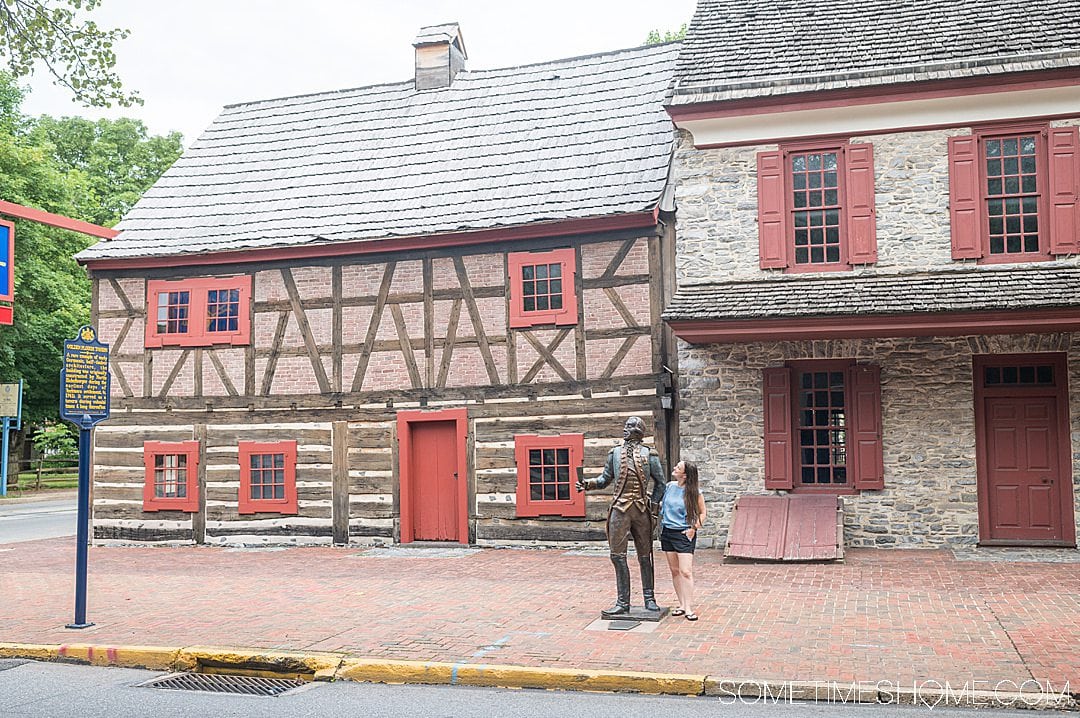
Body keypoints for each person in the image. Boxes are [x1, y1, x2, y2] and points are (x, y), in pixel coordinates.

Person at [576, 416, 666, 617]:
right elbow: (605, 479)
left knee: (645, 556)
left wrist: (653, 506)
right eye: (625, 426)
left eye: (629, 426)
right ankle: (622, 602)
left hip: (641, 510)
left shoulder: (649, 454)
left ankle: (649, 598)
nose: (625, 429)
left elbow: (660, 483)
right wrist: (589, 484)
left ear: (638, 430)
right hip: (619, 508)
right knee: (617, 556)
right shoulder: (614, 453)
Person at [660, 460, 706, 621]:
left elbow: (702, 513)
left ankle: (688, 607)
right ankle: (681, 604)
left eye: (678, 468)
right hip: (667, 532)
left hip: (684, 533)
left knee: (686, 571)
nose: (674, 468)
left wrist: (694, 528)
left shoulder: (694, 492)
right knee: (674, 571)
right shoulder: (669, 487)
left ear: (685, 475)